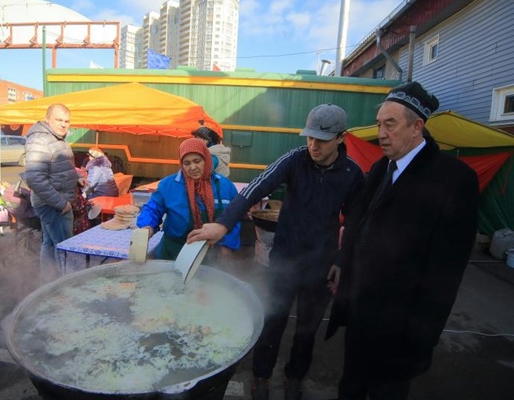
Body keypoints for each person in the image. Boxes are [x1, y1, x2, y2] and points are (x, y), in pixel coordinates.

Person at [188, 104, 364, 400]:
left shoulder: (352, 174)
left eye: (322, 139)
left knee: (307, 330)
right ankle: (261, 376)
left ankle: (295, 377)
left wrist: (341, 260)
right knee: (272, 321)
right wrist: (222, 224)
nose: (313, 145)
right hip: (284, 260)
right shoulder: (295, 160)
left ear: (341, 138)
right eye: (310, 137)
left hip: (320, 266)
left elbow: (356, 220)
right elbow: (254, 189)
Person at [325, 82, 479, 400]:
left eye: (390, 124)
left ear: (416, 126)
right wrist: (342, 261)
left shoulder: (454, 179)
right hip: (359, 312)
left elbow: (446, 271)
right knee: (350, 387)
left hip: (400, 326)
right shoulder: (382, 168)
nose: (381, 132)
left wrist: (422, 337)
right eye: (380, 124)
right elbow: (357, 221)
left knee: (386, 392)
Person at [136, 137, 241, 260]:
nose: (192, 167)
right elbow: (153, 209)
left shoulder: (224, 186)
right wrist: (147, 225)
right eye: (187, 163)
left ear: (206, 159)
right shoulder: (168, 185)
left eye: (197, 161)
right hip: (173, 251)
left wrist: (227, 245)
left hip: (209, 252)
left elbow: (234, 217)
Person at [25, 103, 85, 284]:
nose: (63, 124)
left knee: (50, 244)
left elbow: (58, 170)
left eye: (67, 121)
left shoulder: (57, 139)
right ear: (47, 119)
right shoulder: (40, 140)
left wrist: (76, 179)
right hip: (54, 205)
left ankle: (48, 282)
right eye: (59, 120)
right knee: (64, 248)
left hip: (52, 202)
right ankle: (65, 287)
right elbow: (35, 179)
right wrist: (61, 204)